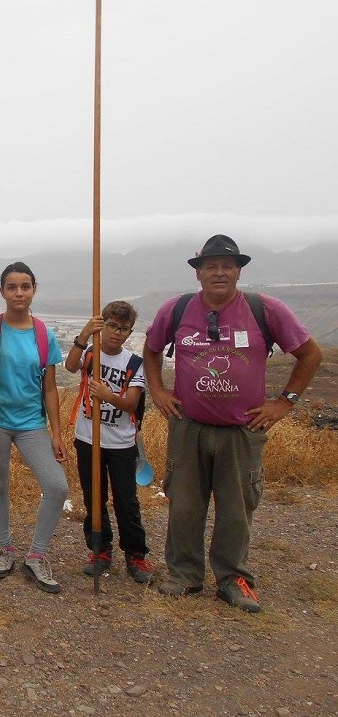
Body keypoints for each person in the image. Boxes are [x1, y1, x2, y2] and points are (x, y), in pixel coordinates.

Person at [144, 235, 321, 613]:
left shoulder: (264, 310)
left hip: (243, 430)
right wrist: (157, 390)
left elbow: (309, 353)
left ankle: (232, 578)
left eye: (227, 265)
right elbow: (151, 348)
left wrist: (284, 402)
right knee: (185, 504)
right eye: (211, 265)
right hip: (188, 425)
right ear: (199, 273)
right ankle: (184, 575)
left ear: (239, 271)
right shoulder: (175, 310)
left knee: (237, 507)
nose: (219, 272)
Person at [0, 262, 68, 593]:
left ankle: (36, 555)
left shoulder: (44, 334)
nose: (19, 292)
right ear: (2, 292)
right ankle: (4, 549)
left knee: (56, 486)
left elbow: (50, 388)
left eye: (25, 286)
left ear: (34, 290)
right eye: (12, 287)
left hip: (31, 423)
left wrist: (56, 432)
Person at [64, 301, 153, 584]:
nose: (116, 333)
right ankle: (100, 550)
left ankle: (136, 554)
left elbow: (131, 402)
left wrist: (106, 394)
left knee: (126, 501)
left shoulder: (134, 364)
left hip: (120, 443)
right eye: (112, 326)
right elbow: (69, 365)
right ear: (104, 325)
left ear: (130, 332)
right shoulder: (91, 354)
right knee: (94, 498)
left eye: (123, 329)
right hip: (88, 439)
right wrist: (84, 334)